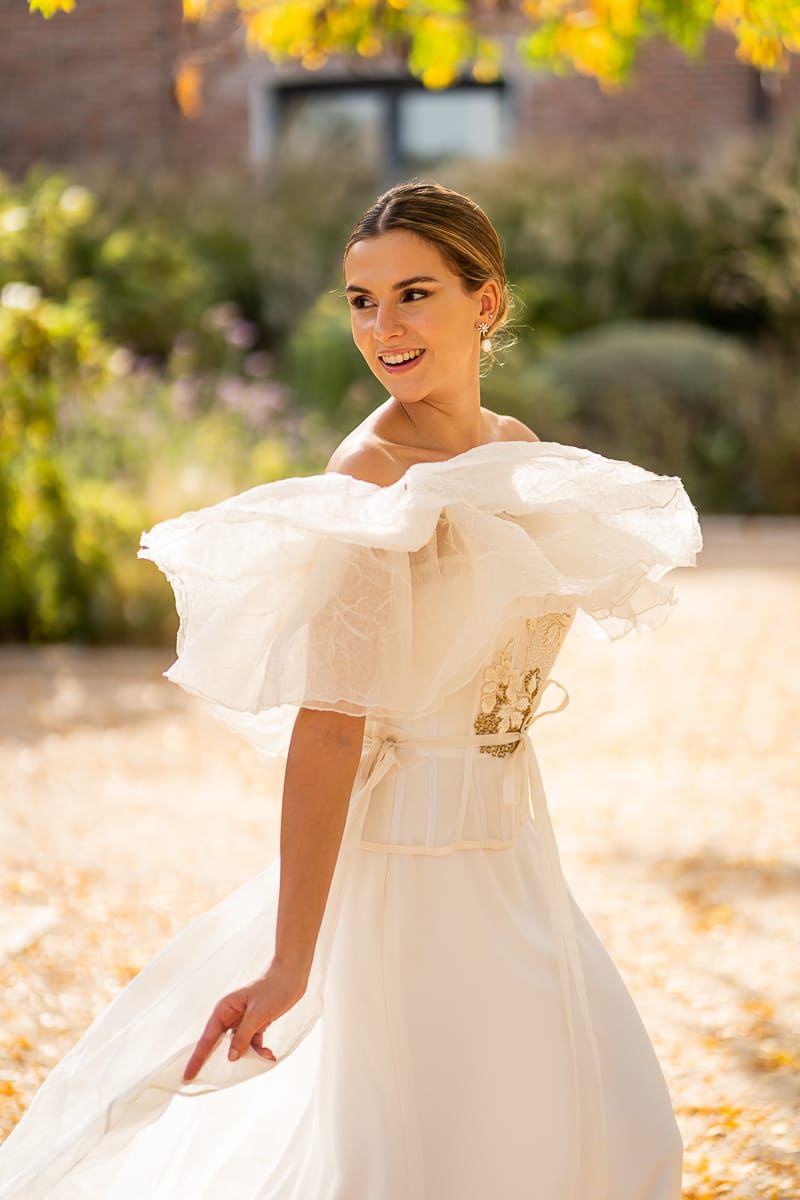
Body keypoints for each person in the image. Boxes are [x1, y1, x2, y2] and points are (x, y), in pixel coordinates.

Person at [0, 180, 702, 1199]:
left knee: (593, 1126)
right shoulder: (371, 477)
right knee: (438, 1151)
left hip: (514, 844)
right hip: (412, 862)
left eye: (413, 294)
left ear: (485, 302)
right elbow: (330, 728)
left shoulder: (512, 451)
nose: (383, 328)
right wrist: (291, 962)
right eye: (362, 302)